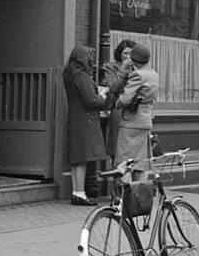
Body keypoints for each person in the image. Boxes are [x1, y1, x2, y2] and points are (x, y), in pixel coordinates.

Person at [63, 45, 109, 206]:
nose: (92, 61)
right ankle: (80, 193)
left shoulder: (70, 74)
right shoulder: (82, 76)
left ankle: (77, 192)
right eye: (90, 58)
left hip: (76, 118)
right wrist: (103, 96)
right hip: (86, 120)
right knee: (82, 158)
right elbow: (91, 100)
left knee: (77, 158)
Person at [114, 44, 159, 182]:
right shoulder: (154, 74)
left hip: (131, 122)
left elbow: (125, 99)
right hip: (145, 121)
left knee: (125, 163)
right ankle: (138, 198)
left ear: (134, 60)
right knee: (141, 164)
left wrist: (116, 103)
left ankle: (124, 198)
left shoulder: (137, 75)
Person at [102, 39, 137, 164]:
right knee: (118, 148)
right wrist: (122, 71)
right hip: (118, 108)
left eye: (131, 54)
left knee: (134, 152)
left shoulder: (137, 68)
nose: (128, 57)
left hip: (135, 111)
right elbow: (112, 87)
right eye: (125, 53)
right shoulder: (110, 67)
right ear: (119, 53)